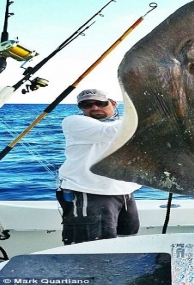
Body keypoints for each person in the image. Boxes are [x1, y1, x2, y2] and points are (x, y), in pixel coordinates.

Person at [56, 88, 141, 245]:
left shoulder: (125, 122)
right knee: (92, 248)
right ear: (80, 108)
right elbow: (109, 132)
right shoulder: (74, 122)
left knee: (127, 243)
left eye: (100, 103)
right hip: (90, 192)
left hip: (125, 192)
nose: (94, 108)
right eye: (86, 105)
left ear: (114, 104)